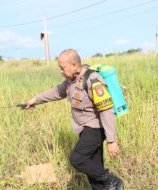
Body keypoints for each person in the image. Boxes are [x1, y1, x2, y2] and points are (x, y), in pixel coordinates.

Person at [26, 49, 124, 190]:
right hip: (84, 129)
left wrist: (111, 140)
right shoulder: (72, 80)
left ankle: (113, 180)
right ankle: (106, 186)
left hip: (95, 128)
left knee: (77, 159)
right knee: (93, 168)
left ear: (73, 65)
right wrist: (35, 100)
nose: (61, 71)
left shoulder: (93, 80)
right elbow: (55, 92)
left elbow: (106, 110)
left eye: (62, 67)